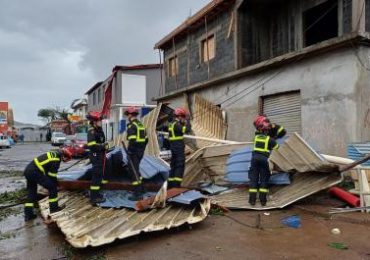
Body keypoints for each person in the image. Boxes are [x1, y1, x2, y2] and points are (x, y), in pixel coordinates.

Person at [24, 148, 73, 221]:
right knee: (53, 188)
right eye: (65, 158)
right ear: (63, 155)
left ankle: (28, 215)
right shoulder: (56, 159)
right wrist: (56, 184)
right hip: (35, 172)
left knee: (31, 192)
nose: (64, 160)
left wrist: (50, 181)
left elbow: (47, 172)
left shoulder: (52, 154)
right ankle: (54, 209)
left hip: (28, 171)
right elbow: (52, 175)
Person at [248, 117, 279, 206]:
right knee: (264, 180)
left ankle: (252, 201)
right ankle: (263, 201)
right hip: (264, 160)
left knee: (253, 179)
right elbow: (277, 148)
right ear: (266, 130)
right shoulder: (270, 140)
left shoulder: (256, 138)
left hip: (254, 159)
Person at [125, 107, 148, 201]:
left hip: (134, 152)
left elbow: (132, 140)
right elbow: (146, 140)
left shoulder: (132, 126)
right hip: (140, 151)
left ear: (130, 115)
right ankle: (142, 189)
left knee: (133, 172)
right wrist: (141, 149)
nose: (127, 117)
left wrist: (130, 151)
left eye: (128, 115)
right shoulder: (140, 125)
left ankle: (137, 193)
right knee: (136, 170)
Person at [167, 107, 191, 189]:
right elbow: (187, 129)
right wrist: (188, 121)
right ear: (179, 116)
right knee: (179, 166)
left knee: (173, 166)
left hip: (173, 148)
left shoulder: (171, 124)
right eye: (183, 116)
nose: (183, 118)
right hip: (178, 148)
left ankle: (169, 186)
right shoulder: (177, 125)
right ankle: (176, 186)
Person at [86, 111, 108, 204]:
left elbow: (102, 141)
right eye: (99, 120)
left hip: (100, 155)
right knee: (96, 177)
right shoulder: (92, 131)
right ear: (94, 121)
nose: (101, 122)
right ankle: (93, 198)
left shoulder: (99, 130)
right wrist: (103, 147)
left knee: (99, 176)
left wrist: (104, 146)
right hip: (96, 156)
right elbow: (92, 145)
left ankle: (97, 194)